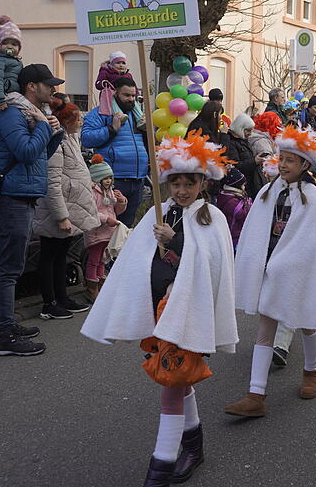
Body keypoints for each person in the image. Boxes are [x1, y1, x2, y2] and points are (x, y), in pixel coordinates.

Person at [81, 130, 238, 486]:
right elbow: (137, 258)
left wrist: (175, 240)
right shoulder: (160, 211)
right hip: (159, 311)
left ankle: (161, 467)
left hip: (185, 316)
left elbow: (209, 267)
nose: (181, 191)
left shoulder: (210, 218)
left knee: (171, 383)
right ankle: (194, 447)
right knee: (179, 381)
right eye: (175, 183)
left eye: (189, 183)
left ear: (203, 182)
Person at [224, 126, 316, 417]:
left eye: (291, 160)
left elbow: (313, 240)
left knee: (307, 323)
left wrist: (288, 262)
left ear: (305, 164)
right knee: (265, 328)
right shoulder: (269, 191)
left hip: (298, 273)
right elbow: (255, 232)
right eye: (282, 158)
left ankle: (311, 371)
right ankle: (256, 394)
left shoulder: (313, 197)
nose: (283, 164)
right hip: (270, 268)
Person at [0, 63, 65, 356]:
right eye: (48, 84)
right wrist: (45, 127)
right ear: (31, 87)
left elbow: (39, 156)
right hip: (12, 199)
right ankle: (5, 335)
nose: (53, 89)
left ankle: (2, 327)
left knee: (12, 266)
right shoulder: (11, 114)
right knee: (8, 268)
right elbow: (26, 152)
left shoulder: (32, 115)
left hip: (24, 195)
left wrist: (53, 133)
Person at [32, 96, 100, 320]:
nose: (81, 122)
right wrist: (61, 215)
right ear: (66, 122)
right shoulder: (57, 142)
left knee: (61, 256)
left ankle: (62, 298)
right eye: (77, 119)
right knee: (50, 256)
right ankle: (49, 303)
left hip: (69, 206)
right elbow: (52, 182)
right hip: (56, 210)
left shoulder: (70, 138)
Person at [81, 75, 149, 227]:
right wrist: (111, 129)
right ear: (115, 94)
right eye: (126, 95)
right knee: (109, 227)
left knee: (127, 228)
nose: (131, 99)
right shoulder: (101, 113)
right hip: (113, 180)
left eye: (133, 95)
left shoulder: (137, 116)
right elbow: (86, 138)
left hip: (138, 179)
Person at [84, 154, 127, 302]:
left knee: (103, 260)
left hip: (108, 232)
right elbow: (92, 212)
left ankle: (101, 285)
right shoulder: (92, 193)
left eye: (110, 178)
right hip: (96, 233)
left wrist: (121, 202)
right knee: (94, 260)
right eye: (105, 178)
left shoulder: (109, 192)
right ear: (97, 179)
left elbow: (116, 211)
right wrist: (106, 219)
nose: (108, 181)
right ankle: (92, 289)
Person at [224, 113, 266, 198]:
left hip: (250, 184)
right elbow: (236, 166)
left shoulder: (242, 140)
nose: (250, 133)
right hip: (242, 187)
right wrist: (254, 161)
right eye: (248, 130)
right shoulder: (231, 143)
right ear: (240, 128)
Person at [95, 51, 144, 122]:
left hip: (125, 96)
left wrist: (137, 95)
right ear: (111, 64)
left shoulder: (128, 75)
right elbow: (98, 83)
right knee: (113, 99)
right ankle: (119, 116)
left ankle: (140, 119)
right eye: (118, 63)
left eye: (123, 63)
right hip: (111, 95)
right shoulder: (106, 72)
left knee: (133, 101)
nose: (121, 65)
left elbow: (133, 86)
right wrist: (103, 83)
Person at [215, 168, 253, 250]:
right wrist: (249, 204)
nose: (244, 187)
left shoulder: (233, 195)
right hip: (233, 234)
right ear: (236, 185)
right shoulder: (230, 200)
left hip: (237, 232)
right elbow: (241, 214)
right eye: (243, 185)